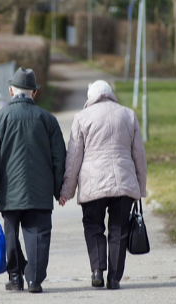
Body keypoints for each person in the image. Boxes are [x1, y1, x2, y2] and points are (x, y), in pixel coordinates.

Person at [0, 67, 66, 293]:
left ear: (10, 91)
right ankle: (34, 280)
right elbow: (59, 158)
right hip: (40, 190)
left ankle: (16, 277)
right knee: (38, 235)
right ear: (34, 93)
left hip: (8, 191)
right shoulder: (48, 120)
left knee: (11, 235)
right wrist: (59, 189)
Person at [59, 80, 147, 290]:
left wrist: (66, 191)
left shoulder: (81, 118)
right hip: (123, 183)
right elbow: (139, 156)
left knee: (93, 226)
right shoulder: (128, 115)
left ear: (91, 97)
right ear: (110, 94)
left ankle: (97, 270)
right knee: (119, 229)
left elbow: (73, 159)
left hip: (93, 183)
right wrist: (140, 189)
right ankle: (114, 278)